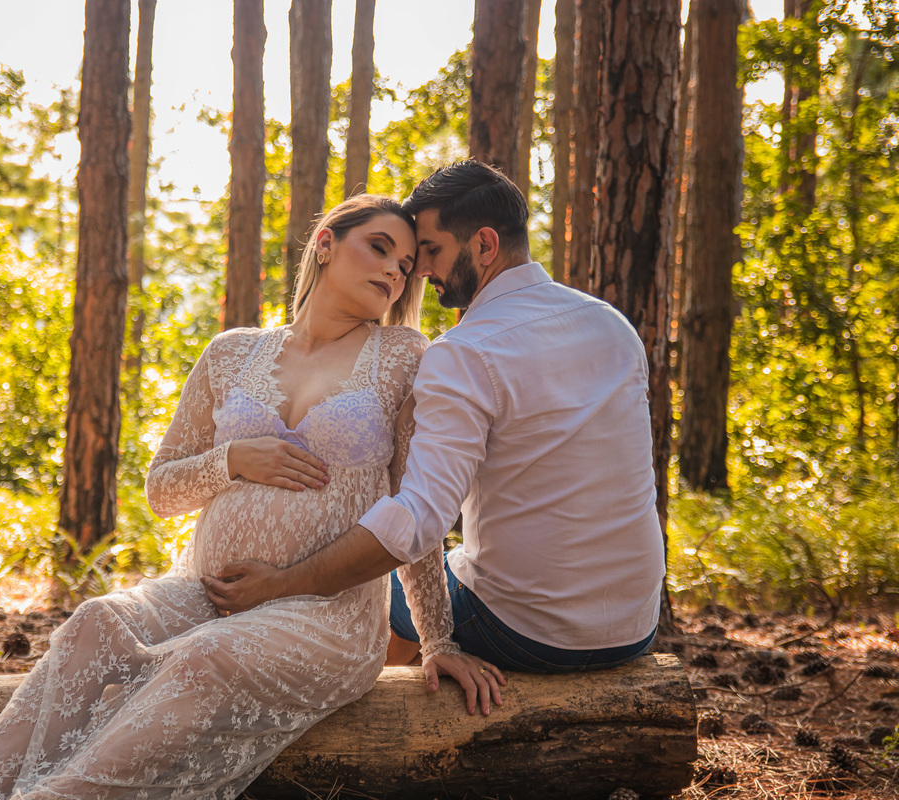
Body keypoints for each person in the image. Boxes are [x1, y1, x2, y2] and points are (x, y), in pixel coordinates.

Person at [0, 195, 492, 800]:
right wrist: (230, 460)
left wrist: (436, 641)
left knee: (204, 657)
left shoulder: (404, 357)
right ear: (328, 244)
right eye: (380, 248)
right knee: (97, 620)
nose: (394, 270)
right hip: (211, 594)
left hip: (327, 616)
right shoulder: (231, 353)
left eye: (407, 265)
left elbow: (416, 512)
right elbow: (161, 491)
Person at [204, 160, 666, 714]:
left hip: (529, 632)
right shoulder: (610, 325)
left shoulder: (465, 352)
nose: (419, 272)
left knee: (375, 591)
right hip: (637, 624)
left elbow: (418, 519)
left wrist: (282, 581)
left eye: (432, 251)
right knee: (429, 579)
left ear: (486, 244)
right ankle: (410, 688)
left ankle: (378, 721)